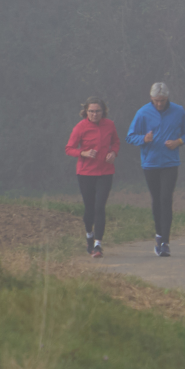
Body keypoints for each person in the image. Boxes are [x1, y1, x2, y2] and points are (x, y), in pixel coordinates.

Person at [127, 82, 185, 257]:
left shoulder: (179, 111)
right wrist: (144, 138)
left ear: (167, 98)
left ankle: (165, 242)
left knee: (166, 199)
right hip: (150, 163)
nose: (159, 104)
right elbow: (130, 136)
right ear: (151, 98)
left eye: (162, 100)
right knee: (156, 200)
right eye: (156, 101)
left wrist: (178, 142)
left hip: (170, 163)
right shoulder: (142, 113)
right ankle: (158, 234)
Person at [65, 97, 119, 258]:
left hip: (105, 172)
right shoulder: (80, 127)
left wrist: (114, 153)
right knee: (89, 209)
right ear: (86, 112)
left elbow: (116, 142)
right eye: (91, 111)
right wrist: (83, 153)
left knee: (100, 207)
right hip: (86, 173)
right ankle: (89, 235)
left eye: (98, 111)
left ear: (103, 112)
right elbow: (69, 148)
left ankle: (98, 245)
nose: (94, 114)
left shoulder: (110, 125)